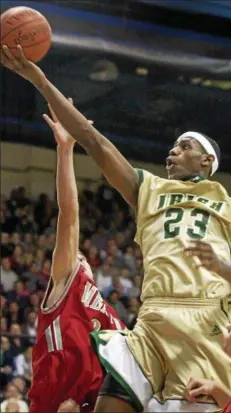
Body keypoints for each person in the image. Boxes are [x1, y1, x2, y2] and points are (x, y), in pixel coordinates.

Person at [1, 46, 231, 413]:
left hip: (204, 321)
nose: (171, 152)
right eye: (172, 146)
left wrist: (220, 267)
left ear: (206, 161)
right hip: (151, 318)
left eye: (183, 146)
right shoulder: (148, 189)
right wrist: (39, 80)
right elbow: (95, 141)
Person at [24, 99, 125, 412]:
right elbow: (69, 214)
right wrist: (65, 150)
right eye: (73, 253)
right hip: (56, 403)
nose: (76, 254)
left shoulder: (113, 317)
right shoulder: (68, 281)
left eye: (80, 254)